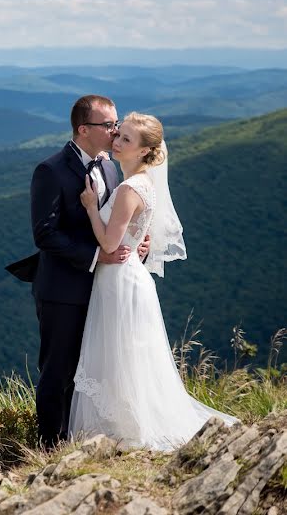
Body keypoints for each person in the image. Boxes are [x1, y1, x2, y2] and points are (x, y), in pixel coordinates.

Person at [69, 112, 237, 450]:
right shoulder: (143, 182)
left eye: (126, 140)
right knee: (126, 352)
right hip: (129, 275)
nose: (117, 141)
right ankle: (126, 421)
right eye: (119, 135)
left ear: (145, 151)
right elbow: (135, 236)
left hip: (119, 277)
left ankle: (127, 428)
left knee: (118, 351)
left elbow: (109, 244)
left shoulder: (131, 187)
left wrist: (90, 207)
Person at [6, 95, 149, 448]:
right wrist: (97, 256)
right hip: (63, 290)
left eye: (116, 124)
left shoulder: (112, 167)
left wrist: (136, 245)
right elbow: (45, 233)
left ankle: (85, 440)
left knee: (97, 370)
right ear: (84, 130)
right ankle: (50, 447)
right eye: (108, 125)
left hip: (106, 288)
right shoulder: (50, 170)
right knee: (59, 370)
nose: (115, 131)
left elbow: (117, 222)